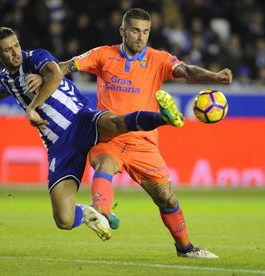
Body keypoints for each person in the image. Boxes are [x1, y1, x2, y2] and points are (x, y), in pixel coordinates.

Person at [0, 27, 185, 242]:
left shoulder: (35, 58)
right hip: (58, 146)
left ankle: (163, 118)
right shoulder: (6, 77)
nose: (15, 53)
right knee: (63, 219)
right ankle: (89, 212)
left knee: (116, 121)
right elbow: (2, 89)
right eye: (7, 50)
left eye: (16, 46)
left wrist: (32, 107)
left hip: (80, 120)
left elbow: (54, 73)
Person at [59, 8, 232, 258]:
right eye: (135, 31)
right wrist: (46, 75)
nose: (141, 37)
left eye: (146, 32)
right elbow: (67, 66)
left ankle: (185, 248)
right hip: (110, 135)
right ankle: (101, 215)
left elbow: (185, 71)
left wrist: (213, 76)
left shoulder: (158, 59)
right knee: (104, 164)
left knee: (167, 199)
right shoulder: (102, 55)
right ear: (123, 31)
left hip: (144, 143)